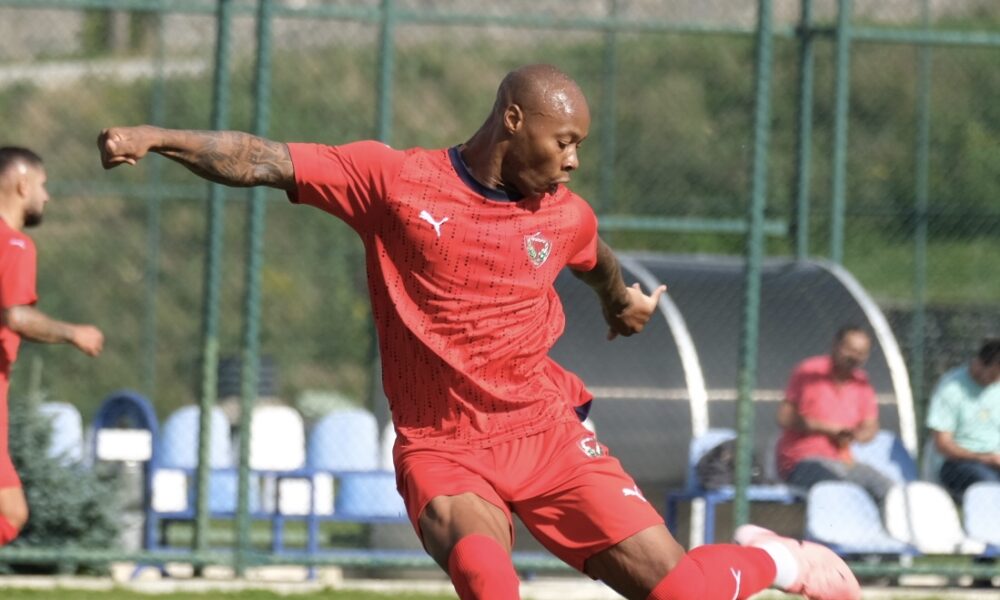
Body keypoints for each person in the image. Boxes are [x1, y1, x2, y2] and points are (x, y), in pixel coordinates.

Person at [98, 64, 858, 600]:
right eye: (564, 141)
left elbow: (596, 258)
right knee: (491, 582)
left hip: (546, 433)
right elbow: (263, 159)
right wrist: (157, 135)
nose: (572, 160)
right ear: (513, 120)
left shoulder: (563, 214)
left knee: (684, 592)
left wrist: (619, 302)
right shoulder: (395, 182)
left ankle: (777, 561)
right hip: (446, 446)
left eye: (579, 146)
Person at [0, 147, 105, 547]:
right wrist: (73, 333)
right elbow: (17, 316)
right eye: (42, 185)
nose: (46, 196)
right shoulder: (14, 245)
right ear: (22, 184)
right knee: (10, 513)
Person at [775, 325, 895, 504]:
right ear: (835, 346)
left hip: (842, 462)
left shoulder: (862, 383)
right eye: (850, 350)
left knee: (887, 489)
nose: (854, 357)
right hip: (802, 462)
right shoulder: (809, 372)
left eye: (861, 353)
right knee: (840, 487)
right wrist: (825, 428)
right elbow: (784, 417)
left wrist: (854, 435)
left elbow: (871, 426)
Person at [925, 339, 1000, 500]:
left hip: (994, 462)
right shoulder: (951, 388)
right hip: (956, 464)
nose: (997, 380)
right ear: (980, 363)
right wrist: (984, 458)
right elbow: (943, 444)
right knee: (990, 485)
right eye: (994, 375)